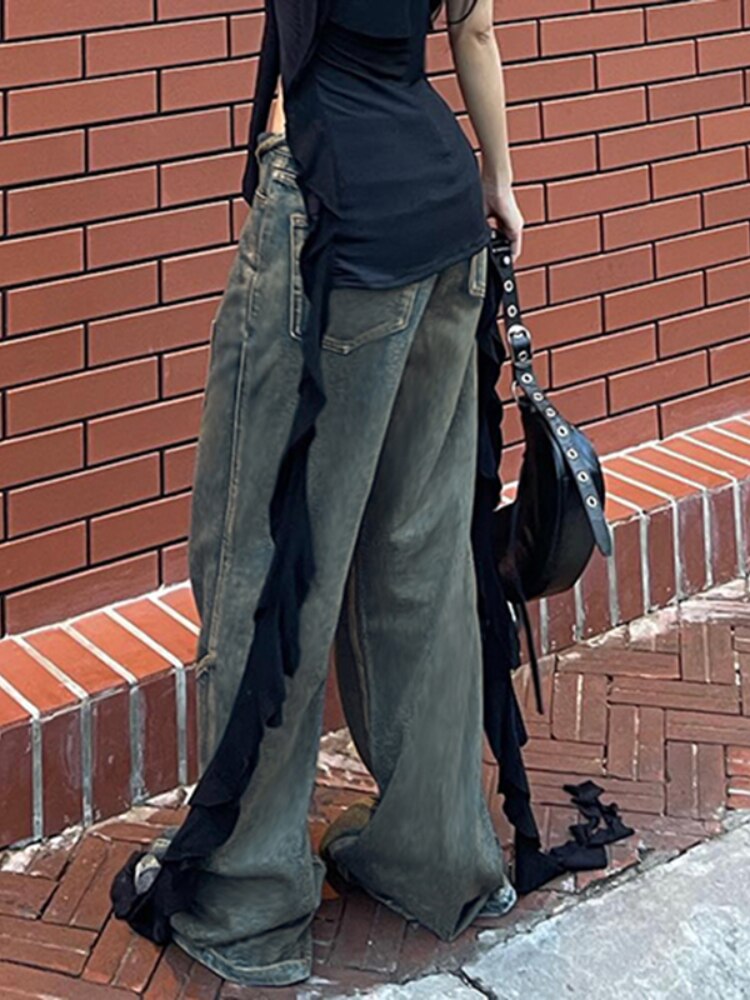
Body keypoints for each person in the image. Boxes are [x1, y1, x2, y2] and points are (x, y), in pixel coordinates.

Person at [109, 0, 527, 987]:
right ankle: (441, 859)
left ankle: (248, 899)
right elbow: (473, 30)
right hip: (445, 213)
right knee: (421, 560)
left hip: (332, 229)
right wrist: (501, 184)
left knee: (264, 558)